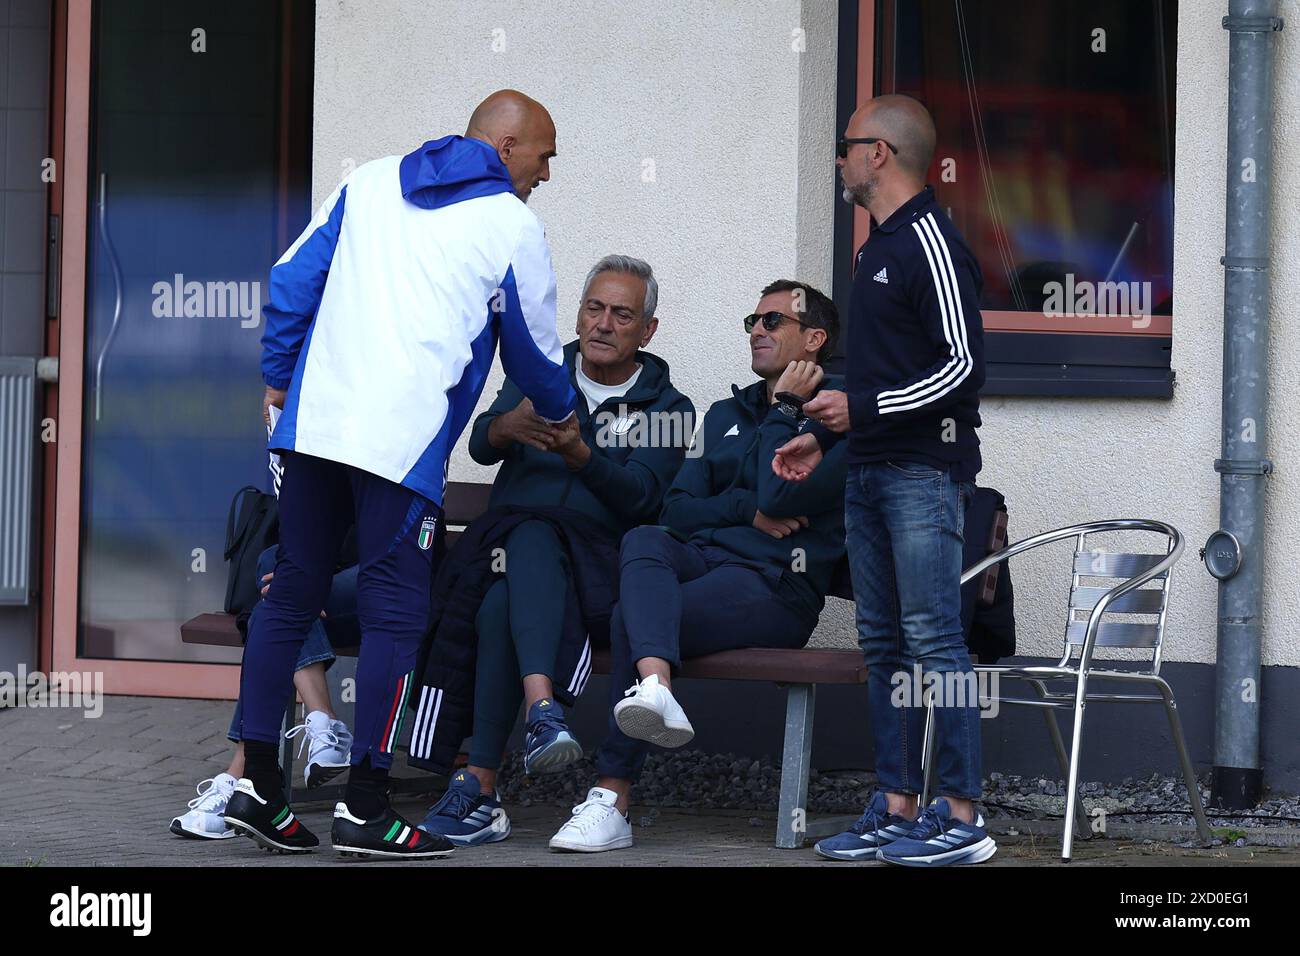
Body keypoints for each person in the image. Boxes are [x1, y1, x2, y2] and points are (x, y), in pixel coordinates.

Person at [224, 89, 577, 859]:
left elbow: (290, 281)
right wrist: (564, 410)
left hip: (313, 428)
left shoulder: (372, 179)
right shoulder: (513, 224)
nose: (547, 173)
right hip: (401, 446)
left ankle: (258, 787)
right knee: (395, 619)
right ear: (508, 145)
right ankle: (365, 805)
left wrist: (281, 378)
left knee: (291, 594)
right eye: (545, 155)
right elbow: (537, 354)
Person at [548, 280, 846, 853]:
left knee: (630, 620)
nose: (757, 330)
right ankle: (655, 689)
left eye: (772, 321)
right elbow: (675, 510)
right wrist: (744, 514)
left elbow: (778, 495)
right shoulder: (724, 413)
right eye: (752, 320)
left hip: (777, 586)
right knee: (645, 539)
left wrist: (785, 410)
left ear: (814, 339)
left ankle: (612, 797)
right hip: (708, 563)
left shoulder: (832, 414)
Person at [772, 94, 993, 866]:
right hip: (867, 471)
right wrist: (816, 435)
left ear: (880, 154)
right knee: (883, 639)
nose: (838, 158)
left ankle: (961, 811)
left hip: (922, 474)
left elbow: (962, 367)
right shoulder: (874, 249)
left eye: (846, 144)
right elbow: (876, 380)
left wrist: (860, 406)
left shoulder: (932, 240)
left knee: (938, 639)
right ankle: (900, 804)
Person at [414, 255, 693, 846]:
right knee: (502, 591)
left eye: (623, 314)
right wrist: (504, 427)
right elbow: (483, 444)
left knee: (533, 537)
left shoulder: (669, 408)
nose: (603, 323)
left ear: (647, 331)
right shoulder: (541, 370)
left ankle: (484, 783)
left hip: (596, 569)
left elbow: (643, 500)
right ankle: (526, 735)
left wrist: (582, 458)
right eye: (595, 308)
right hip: (510, 559)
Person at [169, 546, 355, 839]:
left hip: (387, 577)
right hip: (326, 572)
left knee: (282, 604)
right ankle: (325, 725)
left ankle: (244, 778)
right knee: (277, 586)